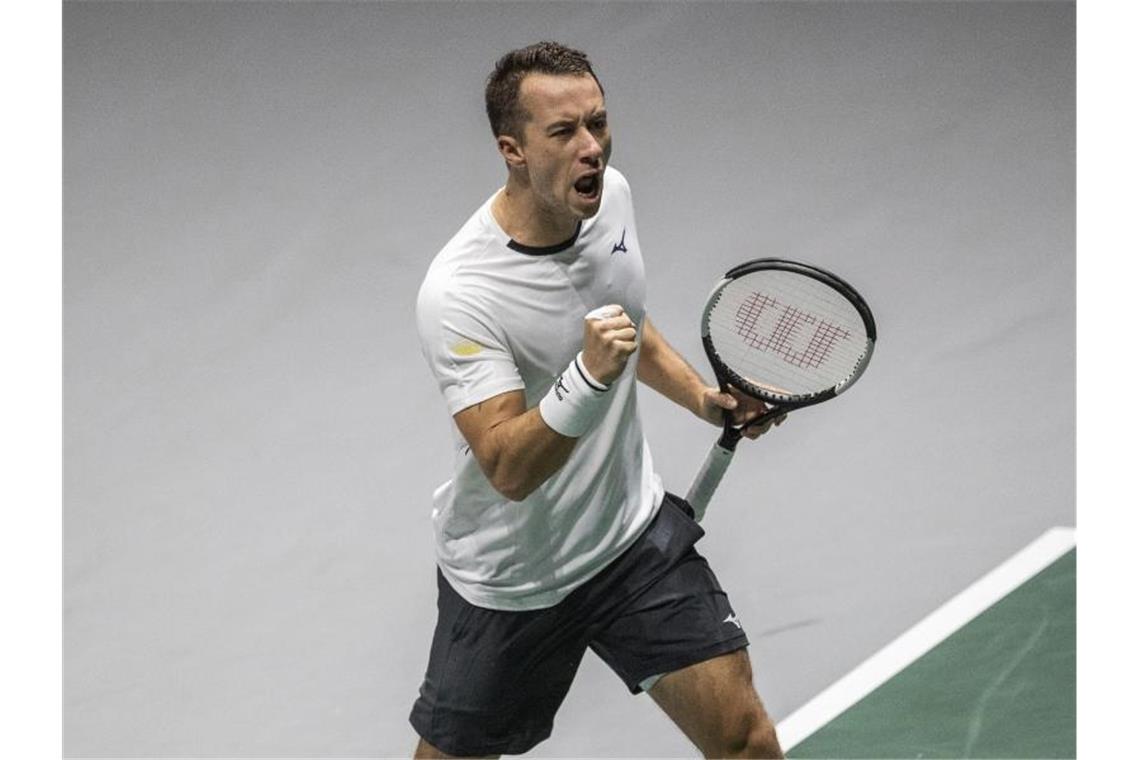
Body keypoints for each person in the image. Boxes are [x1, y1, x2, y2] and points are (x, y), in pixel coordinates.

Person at [411, 41, 785, 759]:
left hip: (630, 540)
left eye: (599, 123)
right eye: (564, 132)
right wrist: (585, 380)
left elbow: (623, 324)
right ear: (512, 149)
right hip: (513, 580)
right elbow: (508, 469)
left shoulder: (613, 199)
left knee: (746, 741)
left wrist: (705, 400)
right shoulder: (461, 293)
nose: (593, 148)